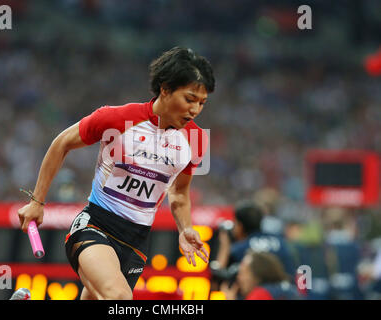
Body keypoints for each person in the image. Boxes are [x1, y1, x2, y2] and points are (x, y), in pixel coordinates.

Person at [16, 47, 215, 300]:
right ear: (165, 89)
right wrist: (37, 201)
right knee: (119, 299)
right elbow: (62, 142)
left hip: (137, 243)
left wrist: (185, 228)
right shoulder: (117, 118)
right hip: (96, 226)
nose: (195, 110)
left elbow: (179, 193)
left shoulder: (196, 140)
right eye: (189, 99)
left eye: (202, 103)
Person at [214, 200, 297, 280]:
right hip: (288, 292)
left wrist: (224, 246)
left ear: (240, 226)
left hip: (258, 293)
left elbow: (219, 275)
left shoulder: (238, 250)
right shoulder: (281, 243)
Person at [220, 250, 301, 300]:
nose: (238, 277)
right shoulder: (291, 289)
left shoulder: (261, 294)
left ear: (257, 274)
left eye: (243, 273)